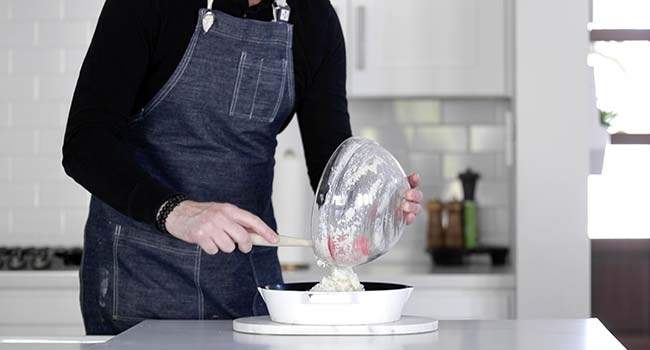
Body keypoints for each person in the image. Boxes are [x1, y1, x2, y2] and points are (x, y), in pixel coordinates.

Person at [62, 0, 423, 335]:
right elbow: (85, 143)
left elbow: (333, 167)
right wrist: (176, 211)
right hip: (138, 277)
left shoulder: (314, 18)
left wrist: (371, 204)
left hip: (246, 283)